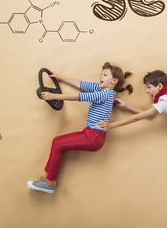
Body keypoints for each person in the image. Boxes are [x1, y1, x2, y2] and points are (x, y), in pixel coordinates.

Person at [27, 62, 132, 194]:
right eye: (101, 74)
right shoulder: (99, 88)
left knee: (59, 146)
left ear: (114, 80)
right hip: (89, 133)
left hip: (94, 136)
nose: (101, 76)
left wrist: (54, 96)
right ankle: (46, 180)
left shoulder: (107, 94)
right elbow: (81, 85)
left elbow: (80, 97)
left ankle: (49, 183)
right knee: (57, 141)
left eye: (105, 75)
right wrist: (59, 77)